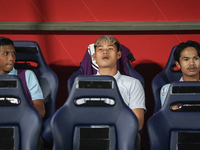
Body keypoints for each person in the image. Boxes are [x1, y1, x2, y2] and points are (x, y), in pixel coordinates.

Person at [92, 35, 146, 131]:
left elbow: (138, 124)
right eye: (100, 49)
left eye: (110, 48)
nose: (105, 52)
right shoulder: (83, 84)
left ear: (118, 55)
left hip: (121, 135)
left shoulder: (133, 84)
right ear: (94, 56)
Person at [0, 37, 45, 118]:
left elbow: (41, 110)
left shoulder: (27, 75)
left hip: (22, 124)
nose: (11, 58)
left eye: (13, 53)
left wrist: (18, 115)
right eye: (6, 53)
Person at [160, 40, 200, 107]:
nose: (192, 63)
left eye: (196, 58)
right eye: (186, 59)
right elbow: (168, 116)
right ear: (178, 64)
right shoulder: (169, 89)